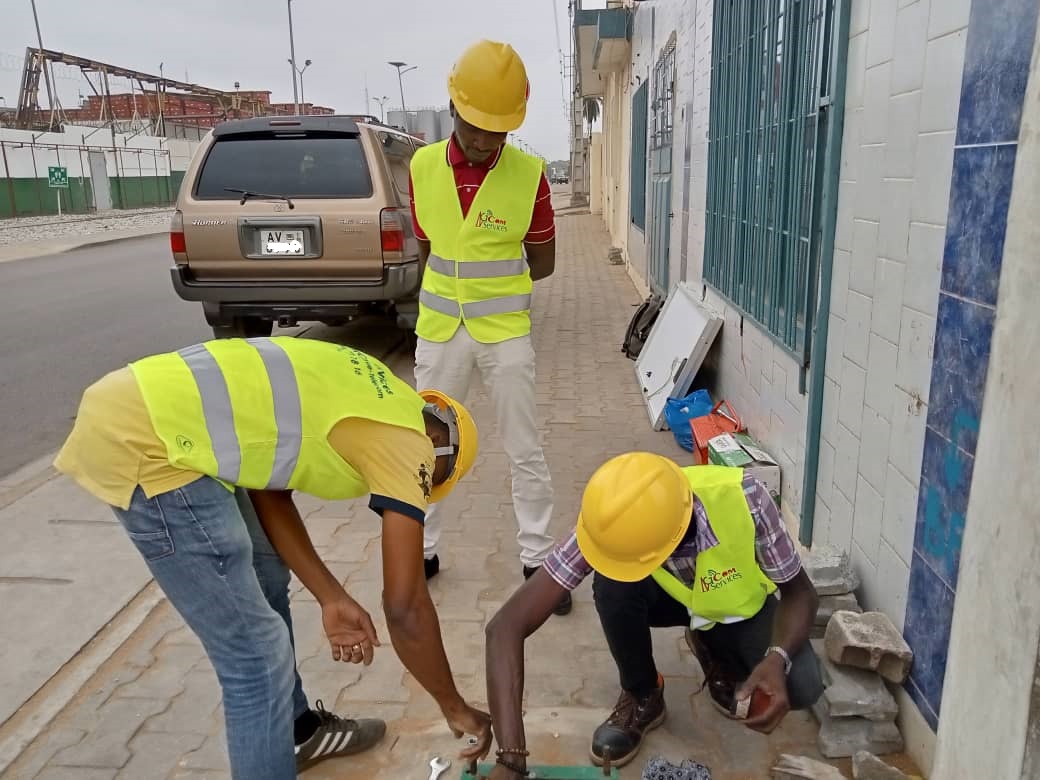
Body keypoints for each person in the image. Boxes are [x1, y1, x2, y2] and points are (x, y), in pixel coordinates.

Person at [54, 336, 493, 780]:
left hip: (137, 400)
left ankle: (297, 731)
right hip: (154, 446)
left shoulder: (380, 393)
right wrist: (455, 707)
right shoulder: (412, 446)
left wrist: (331, 597)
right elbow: (405, 608)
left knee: (265, 568)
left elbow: (269, 488)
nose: (422, 489)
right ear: (439, 447)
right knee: (258, 661)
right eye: (432, 482)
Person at [483, 453, 824, 776]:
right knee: (612, 583)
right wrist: (511, 758)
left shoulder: (746, 498)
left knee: (801, 683)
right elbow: (505, 627)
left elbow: (801, 594)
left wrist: (776, 658)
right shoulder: (609, 522)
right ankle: (642, 692)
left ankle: (713, 645)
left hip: (733, 605)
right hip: (669, 599)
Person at [407, 40, 571, 616]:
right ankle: (421, 551)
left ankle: (538, 561)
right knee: (429, 444)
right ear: (453, 107)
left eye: (497, 131)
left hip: (503, 333)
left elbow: (543, 262)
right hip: (440, 331)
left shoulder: (530, 175)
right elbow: (427, 248)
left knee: (524, 446)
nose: (484, 140)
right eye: (475, 126)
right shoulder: (421, 166)